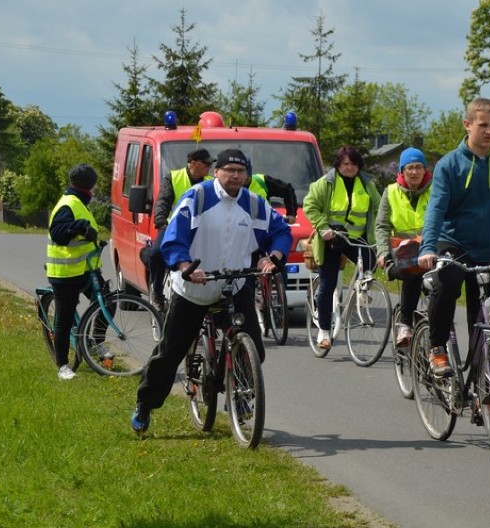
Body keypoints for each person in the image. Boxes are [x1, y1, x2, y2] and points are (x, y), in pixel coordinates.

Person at [131, 149, 292, 433]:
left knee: (253, 346)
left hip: (236, 284)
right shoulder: (198, 197)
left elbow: (280, 231)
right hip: (194, 287)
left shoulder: (255, 204)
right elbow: (174, 237)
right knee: (169, 354)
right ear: (215, 171)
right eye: (229, 169)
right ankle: (145, 405)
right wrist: (185, 266)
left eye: (241, 171)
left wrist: (274, 256)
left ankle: (241, 398)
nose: (235, 175)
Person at [417, 97, 490, 376]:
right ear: (467, 125)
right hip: (453, 241)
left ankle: (479, 380)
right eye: (483, 125)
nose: (489, 131)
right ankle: (437, 348)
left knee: (488, 312)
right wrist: (428, 247)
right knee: (447, 281)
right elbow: (436, 208)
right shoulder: (450, 164)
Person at [304, 146, 381, 350]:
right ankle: (324, 332)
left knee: (372, 262)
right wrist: (323, 228)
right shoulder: (325, 183)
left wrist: (380, 234)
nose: (349, 168)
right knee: (327, 284)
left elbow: (379, 207)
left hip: (357, 238)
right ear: (338, 164)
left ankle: (361, 289)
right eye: (345, 164)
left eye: (353, 164)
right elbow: (310, 205)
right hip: (332, 239)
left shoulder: (366, 184)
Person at [46, 164, 110, 380]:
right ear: (89, 185)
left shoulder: (79, 201)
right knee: (64, 319)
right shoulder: (68, 204)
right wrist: (79, 226)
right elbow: (58, 234)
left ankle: (96, 343)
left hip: (85, 270)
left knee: (107, 300)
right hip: (65, 273)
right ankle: (62, 365)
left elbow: (78, 235)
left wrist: (89, 236)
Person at [375, 147, 433, 346]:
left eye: (419, 167)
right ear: (401, 171)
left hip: (431, 250)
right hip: (404, 253)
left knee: (440, 289)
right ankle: (405, 324)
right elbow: (381, 225)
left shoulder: (436, 190)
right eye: (410, 168)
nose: (415, 172)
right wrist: (383, 252)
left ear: (425, 170)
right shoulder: (390, 192)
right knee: (413, 274)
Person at [149, 148, 215, 311]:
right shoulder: (173, 177)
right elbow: (163, 200)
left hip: (202, 227)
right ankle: (157, 292)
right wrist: (160, 219)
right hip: (175, 226)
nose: (209, 167)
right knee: (156, 253)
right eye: (206, 164)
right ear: (193, 163)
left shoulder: (211, 182)